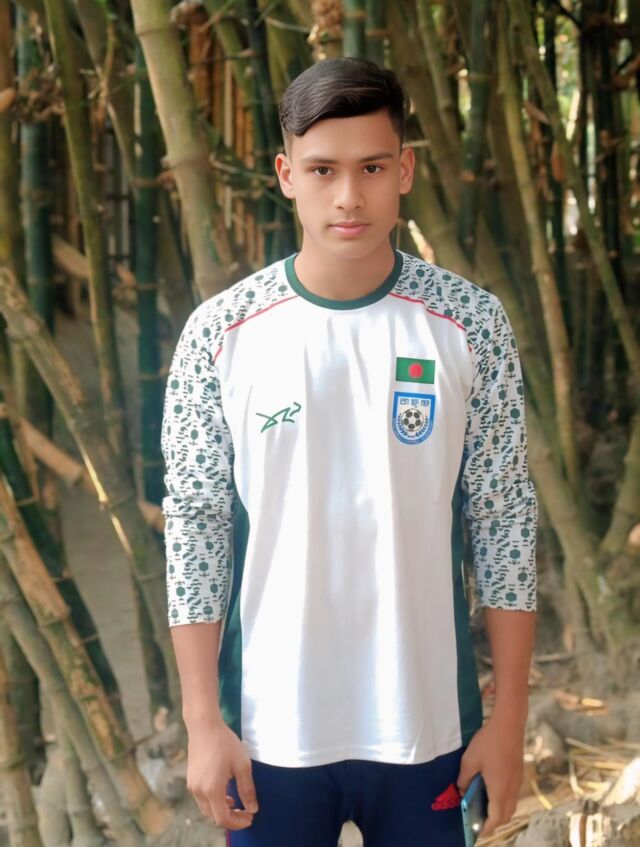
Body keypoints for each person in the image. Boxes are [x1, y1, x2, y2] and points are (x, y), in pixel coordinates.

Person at [161, 57, 537, 847]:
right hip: (270, 731)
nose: (348, 196)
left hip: (428, 724)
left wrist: (509, 719)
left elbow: (505, 520)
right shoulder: (220, 335)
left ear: (405, 170)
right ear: (285, 174)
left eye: (371, 167)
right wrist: (202, 721)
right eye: (323, 169)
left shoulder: (471, 324)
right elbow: (195, 526)